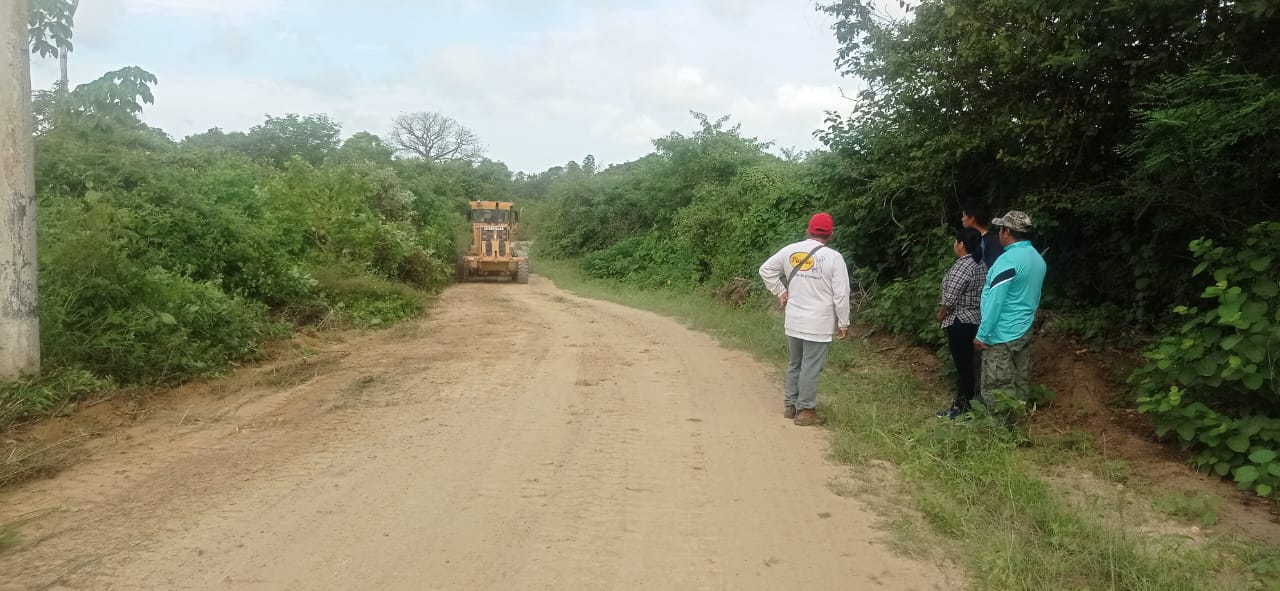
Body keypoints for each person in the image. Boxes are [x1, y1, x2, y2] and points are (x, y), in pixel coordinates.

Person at [758, 213, 851, 426]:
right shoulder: (834, 258)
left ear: (808, 230)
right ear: (831, 234)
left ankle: (790, 406)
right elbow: (841, 295)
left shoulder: (790, 250)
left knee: (795, 363)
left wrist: (780, 291)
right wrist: (843, 323)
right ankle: (806, 410)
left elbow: (765, 270)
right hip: (818, 323)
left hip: (794, 320)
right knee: (811, 366)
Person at [974, 211, 1046, 413]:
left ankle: (1001, 427)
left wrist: (982, 334)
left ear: (1006, 231)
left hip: (1001, 334)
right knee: (1019, 379)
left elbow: (996, 300)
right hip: (1023, 329)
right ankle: (1018, 419)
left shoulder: (1008, 261)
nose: (998, 233)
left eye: (1000, 229)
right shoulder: (1037, 259)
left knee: (998, 385)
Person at [936, 228, 987, 419]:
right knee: (971, 365)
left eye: (955, 241)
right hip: (975, 319)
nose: (954, 245)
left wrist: (940, 315)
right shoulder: (981, 264)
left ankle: (961, 406)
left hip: (960, 322)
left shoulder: (963, 266)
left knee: (963, 367)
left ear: (961, 244)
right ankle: (973, 402)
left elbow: (949, 299)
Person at [962, 199, 1004, 267]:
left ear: (972, 219)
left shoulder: (991, 241)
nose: (962, 219)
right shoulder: (972, 240)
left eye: (964, 216)